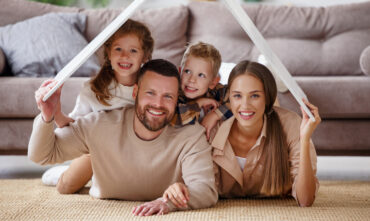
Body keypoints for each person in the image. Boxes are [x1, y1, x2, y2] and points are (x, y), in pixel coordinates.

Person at [29, 59, 218, 216]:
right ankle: (61, 173)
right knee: (65, 185)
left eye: (168, 96)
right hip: (100, 166)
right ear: (135, 92)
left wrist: (169, 202)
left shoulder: (191, 135)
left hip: (118, 167)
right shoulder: (100, 124)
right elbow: (42, 156)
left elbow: (206, 190)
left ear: (177, 99)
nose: (158, 104)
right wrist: (47, 115)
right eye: (150, 93)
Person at [162, 60, 321, 208]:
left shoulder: (291, 124)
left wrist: (305, 139)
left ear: (267, 97)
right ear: (229, 98)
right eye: (237, 95)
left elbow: (305, 200)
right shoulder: (212, 131)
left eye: (255, 95)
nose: (245, 105)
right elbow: (200, 187)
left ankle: (268, 69)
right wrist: (180, 188)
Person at [41, 19, 154, 194]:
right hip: (99, 155)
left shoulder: (152, 88)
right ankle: (66, 173)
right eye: (118, 49)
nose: (125, 56)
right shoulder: (93, 89)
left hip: (136, 156)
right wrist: (56, 113)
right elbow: (73, 129)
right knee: (65, 186)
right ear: (108, 53)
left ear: (145, 56)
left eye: (133, 50)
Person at [171, 42, 232, 139]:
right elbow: (174, 118)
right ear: (180, 72)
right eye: (187, 71)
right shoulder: (175, 93)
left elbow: (239, 101)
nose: (191, 80)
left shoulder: (216, 91)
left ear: (213, 82)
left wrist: (215, 115)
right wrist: (199, 103)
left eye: (201, 75)